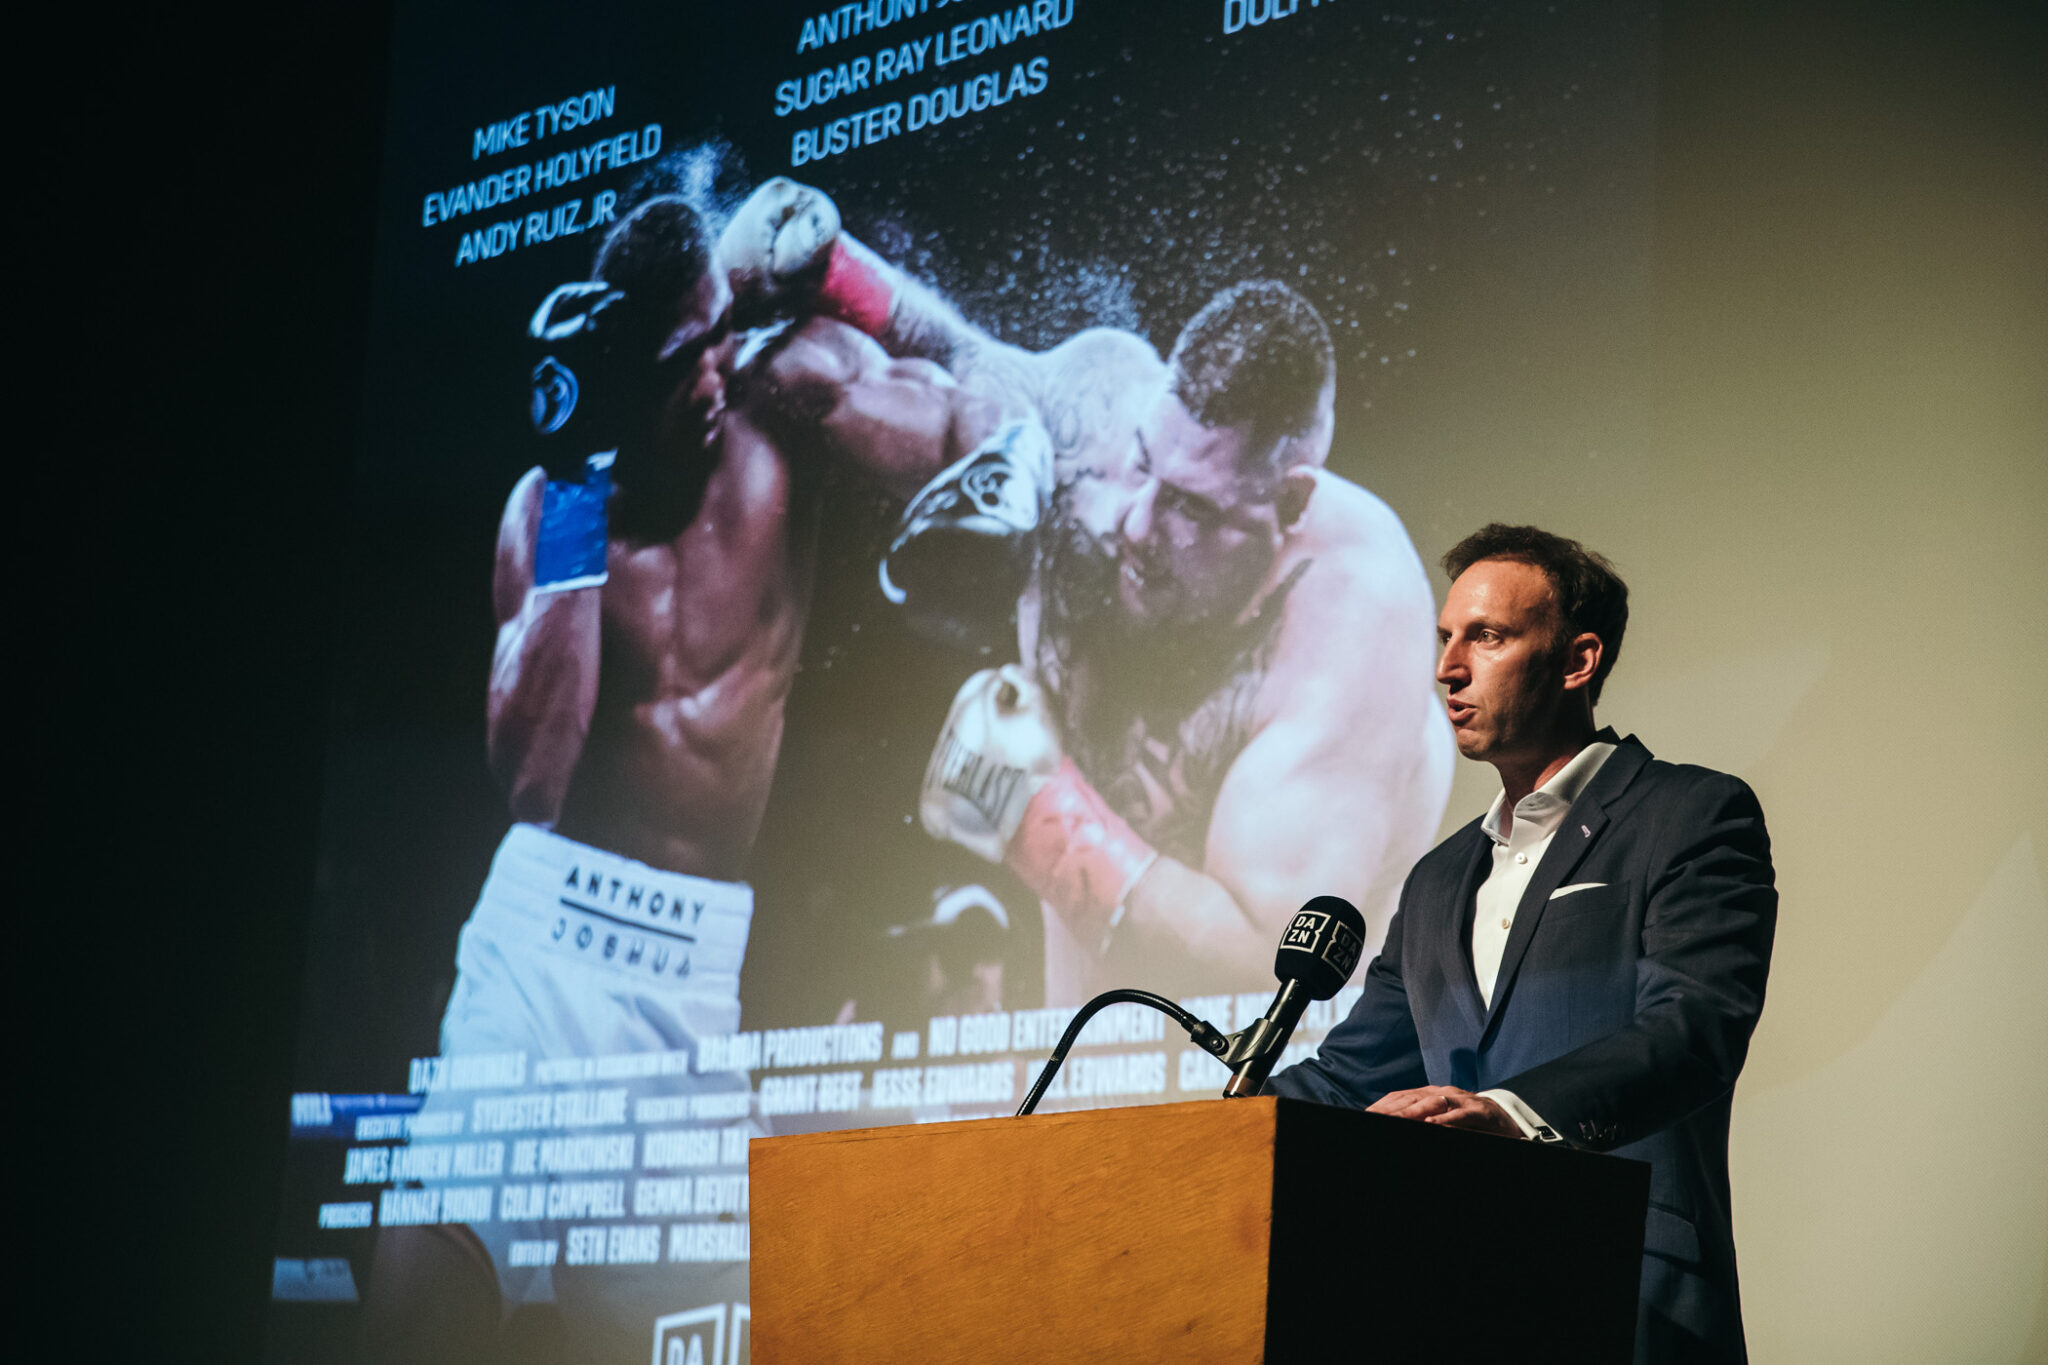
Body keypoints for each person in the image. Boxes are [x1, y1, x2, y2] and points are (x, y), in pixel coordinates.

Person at [365, 184, 1004, 1365]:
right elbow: (537, 781)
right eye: (680, 360)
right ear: (618, 375)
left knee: (716, 1337)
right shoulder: (554, 509)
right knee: (421, 1307)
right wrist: (571, 479)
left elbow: (976, 420)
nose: (712, 376)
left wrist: (987, 480)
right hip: (542, 946)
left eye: (717, 339)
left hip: (694, 973)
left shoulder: (785, 401)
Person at [788, 203, 1455, 1003]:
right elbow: (958, 356)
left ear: (1288, 505)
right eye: (1146, 465)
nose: (1137, 523)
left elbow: (1265, 962)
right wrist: (828, 269)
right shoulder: (1096, 424)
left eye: (1193, 508)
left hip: (1266, 1089)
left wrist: (1029, 804)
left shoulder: (1354, 612)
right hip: (1075, 1054)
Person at [1266, 524, 1778, 1363]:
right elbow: (1351, 1075)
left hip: (1629, 1292)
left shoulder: (1689, 814)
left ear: (1578, 661)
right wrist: (1194, 1139)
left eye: (1488, 637)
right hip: (1441, 1298)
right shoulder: (1437, 879)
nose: (1448, 668)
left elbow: (1695, 1027)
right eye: (1444, 638)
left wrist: (1505, 1115)